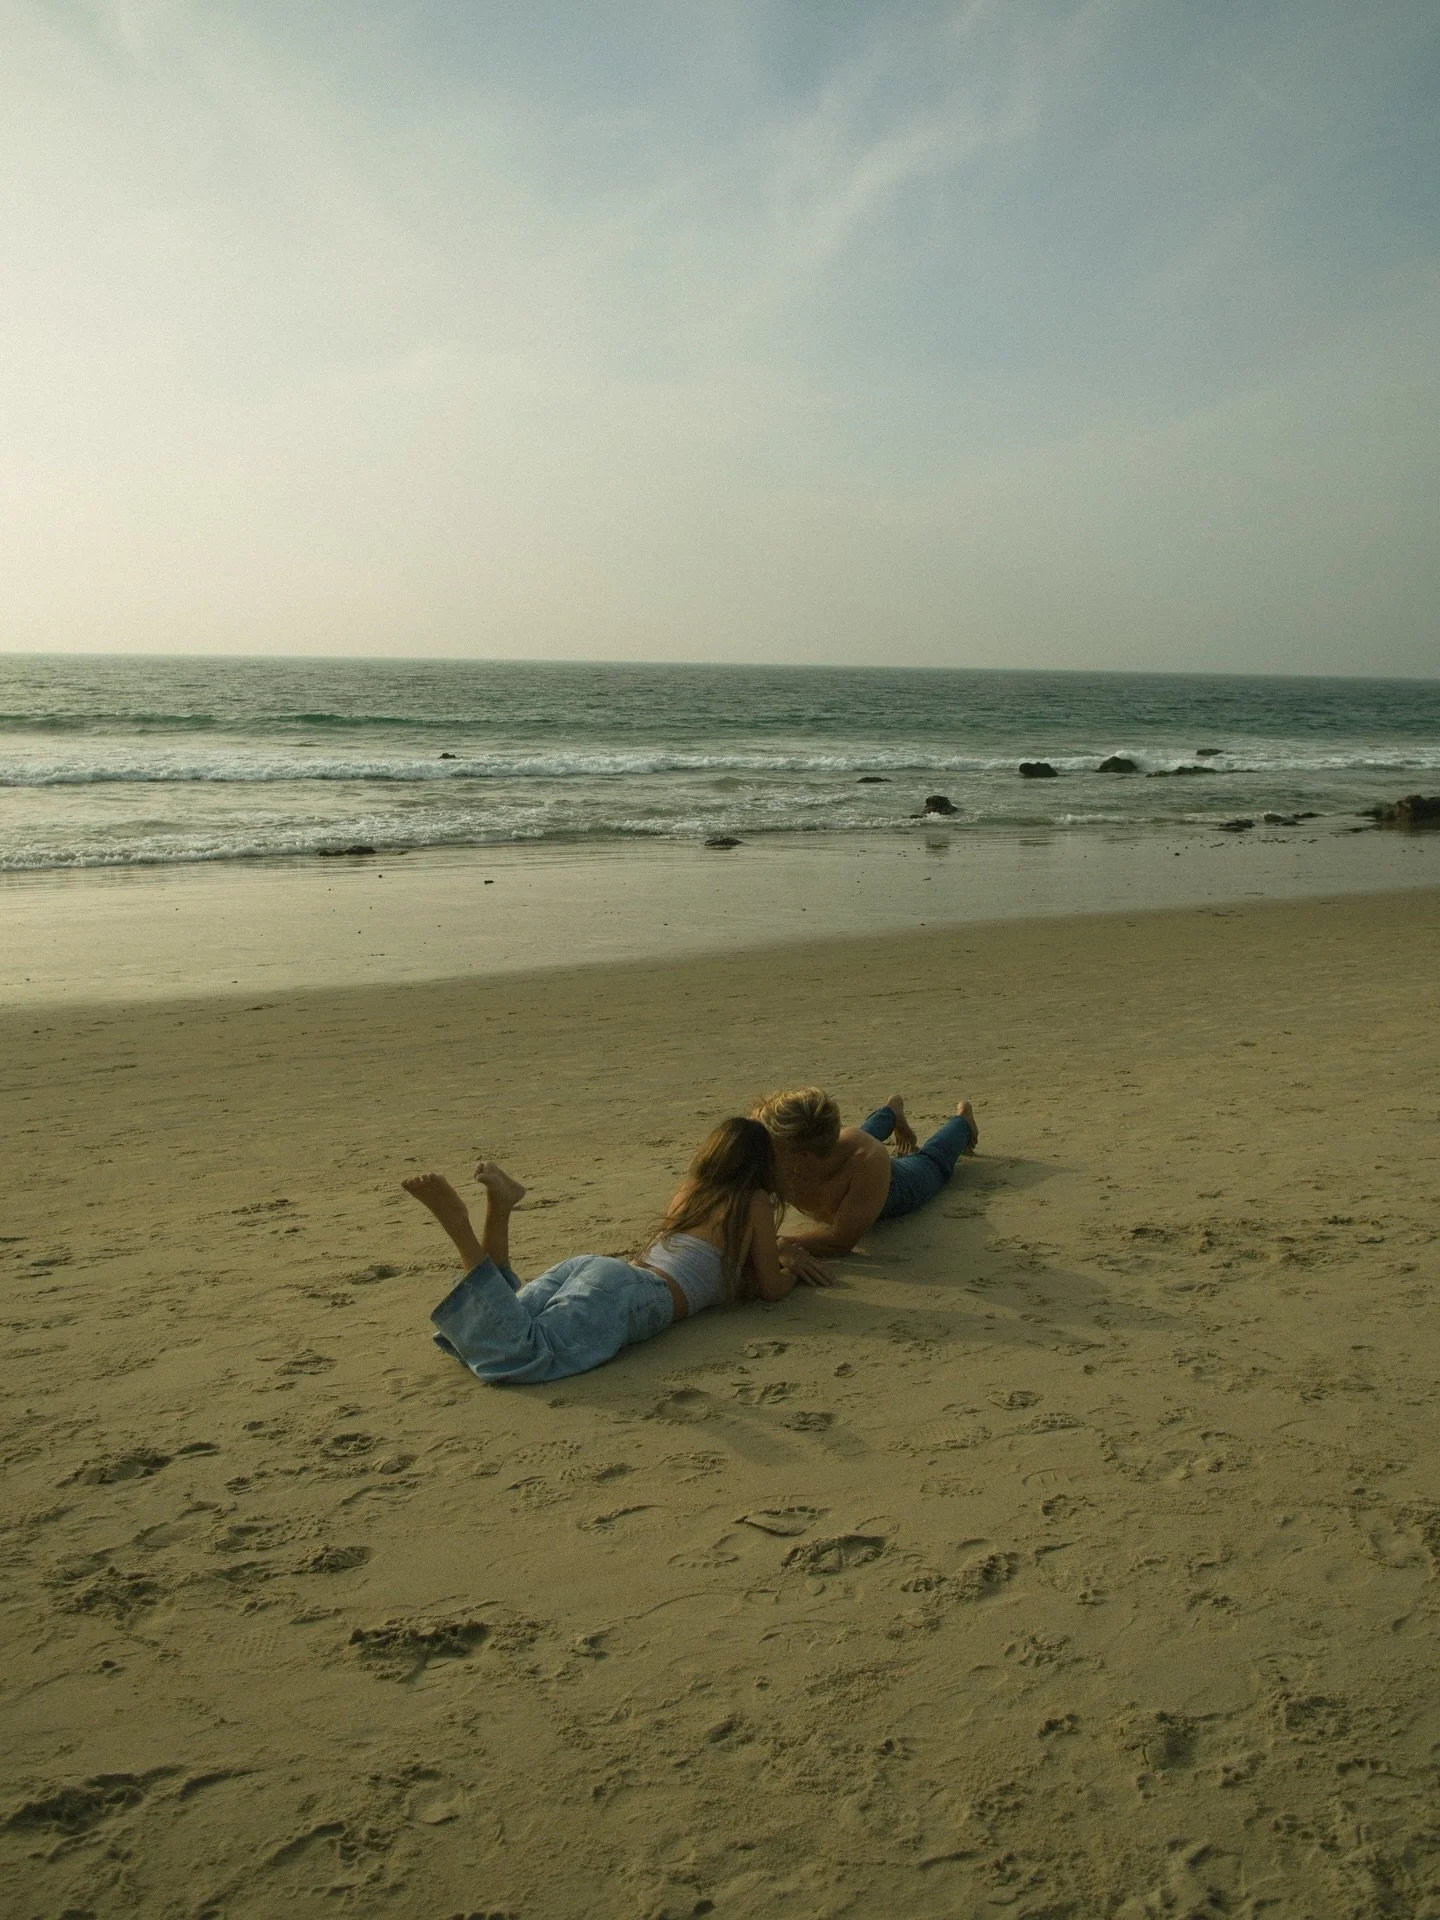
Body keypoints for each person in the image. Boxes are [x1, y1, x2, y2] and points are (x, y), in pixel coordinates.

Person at [401, 1117, 829, 1385]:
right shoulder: (752, 1200)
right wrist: (789, 1265)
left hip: (601, 1271)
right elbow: (771, 1288)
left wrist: (772, 1254)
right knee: (524, 1353)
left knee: (500, 1322)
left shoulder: (690, 1191)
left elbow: (716, 1262)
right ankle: (459, 1225)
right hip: (634, 1294)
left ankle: (501, 1208)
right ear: (760, 1166)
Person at [752, 1086, 977, 1264]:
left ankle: (962, 1122)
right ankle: (891, 1112)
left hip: (893, 1186)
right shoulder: (777, 1155)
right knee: (857, 1135)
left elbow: (840, 1241)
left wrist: (773, 1244)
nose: (762, 1148)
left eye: (771, 1143)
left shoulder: (866, 1161)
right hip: (830, 1149)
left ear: (800, 1154)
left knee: (931, 1163)